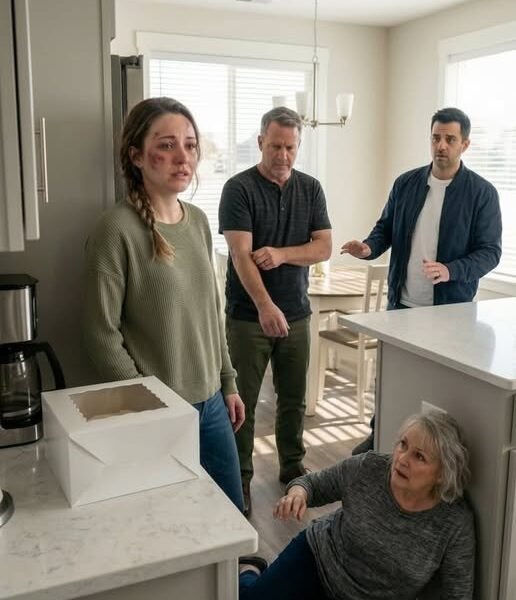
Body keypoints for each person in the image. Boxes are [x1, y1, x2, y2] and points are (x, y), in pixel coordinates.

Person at [82, 97, 245, 511]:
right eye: (167, 145)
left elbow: (211, 314)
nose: (183, 157)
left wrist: (227, 382)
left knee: (230, 518)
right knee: (173, 524)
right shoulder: (115, 230)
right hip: (158, 413)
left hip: (212, 404)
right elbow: (100, 335)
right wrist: (149, 406)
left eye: (190, 145)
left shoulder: (199, 222)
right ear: (137, 156)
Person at [341, 107, 502, 453]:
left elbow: (491, 252)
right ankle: (379, 437)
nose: (441, 145)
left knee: (438, 389)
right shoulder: (406, 183)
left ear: (465, 144)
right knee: (390, 380)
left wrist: (451, 270)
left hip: (449, 313)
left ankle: (428, 454)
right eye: (436, 138)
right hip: (401, 307)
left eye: (450, 139)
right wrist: (368, 248)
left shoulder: (482, 193)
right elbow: (385, 228)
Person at [219, 106, 332, 516]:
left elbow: (324, 247)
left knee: (293, 398)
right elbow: (240, 255)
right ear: (260, 142)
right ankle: (240, 478)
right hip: (248, 317)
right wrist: (265, 306)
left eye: (290, 147)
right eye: (275, 146)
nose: (283, 155)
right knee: (242, 405)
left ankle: (292, 466)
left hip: (298, 312)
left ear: (298, 145)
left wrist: (282, 254)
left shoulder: (311, 189)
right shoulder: (238, 188)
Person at [239, 410, 475, 600]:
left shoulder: (454, 523)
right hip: (318, 560)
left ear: (442, 474)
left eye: (419, 456)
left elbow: (458, 594)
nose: (402, 459)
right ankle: (250, 570)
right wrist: (297, 494)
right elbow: (311, 484)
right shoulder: (369, 468)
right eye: (403, 445)